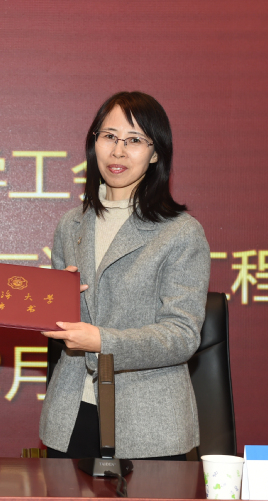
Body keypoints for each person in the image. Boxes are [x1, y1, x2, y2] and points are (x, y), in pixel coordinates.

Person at [39, 91, 211, 460]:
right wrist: (53, 303)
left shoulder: (181, 232)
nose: (118, 151)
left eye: (134, 140)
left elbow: (182, 335)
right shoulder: (71, 225)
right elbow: (60, 324)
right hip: (72, 414)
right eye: (109, 136)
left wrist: (102, 340)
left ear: (155, 153)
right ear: (94, 143)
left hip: (149, 423)